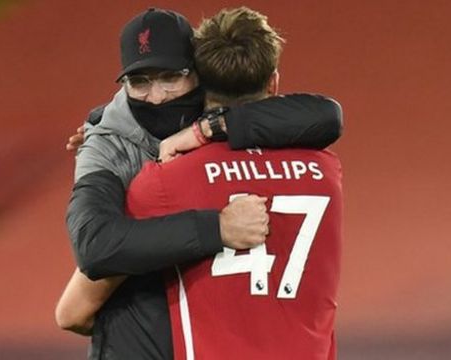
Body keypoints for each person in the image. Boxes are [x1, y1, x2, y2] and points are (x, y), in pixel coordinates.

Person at [61, 7, 343, 360]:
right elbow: (94, 249)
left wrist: (205, 129)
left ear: (200, 78)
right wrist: (218, 227)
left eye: (170, 77)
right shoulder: (106, 144)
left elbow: (326, 116)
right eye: (140, 82)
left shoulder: (202, 130)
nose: (158, 96)